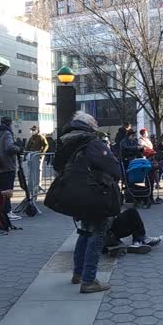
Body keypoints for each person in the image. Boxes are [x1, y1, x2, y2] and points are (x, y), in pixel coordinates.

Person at [54, 112, 121, 293]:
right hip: (94, 194)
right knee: (97, 234)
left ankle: (78, 273)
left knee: (84, 232)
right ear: (89, 125)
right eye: (94, 122)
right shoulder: (91, 143)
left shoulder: (67, 141)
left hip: (75, 194)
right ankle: (89, 279)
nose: (96, 125)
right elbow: (114, 168)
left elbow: (57, 165)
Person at [0, 117, 22, 221]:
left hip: (0, 164)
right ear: (9, 124)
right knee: (8, 189)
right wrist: (18, 149)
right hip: (8, 164)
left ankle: (2, 209)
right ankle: (7, 211)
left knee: (2, 188)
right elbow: (9, 147)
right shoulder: (7, 133)